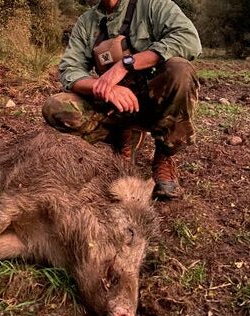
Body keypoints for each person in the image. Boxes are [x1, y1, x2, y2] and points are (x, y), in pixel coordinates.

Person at [42, 0, 202, 199]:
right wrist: (104, 88)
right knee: (55, 106)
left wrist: (126, 64)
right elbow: (70, 70)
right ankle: (123, 137)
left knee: (180, 70)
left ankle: (164, 154)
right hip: (113, 107)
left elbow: (189, 39)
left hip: (153, 105)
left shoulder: (154, 5)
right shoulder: (87, 21)